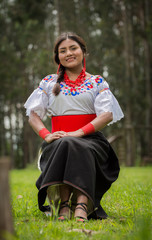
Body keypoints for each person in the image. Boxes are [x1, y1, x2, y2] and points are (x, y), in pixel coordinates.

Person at [24, 32, 124, 222]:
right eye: (63, 51)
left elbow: (107, 114)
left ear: (83, 51)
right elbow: (33, 114)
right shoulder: (48, 82)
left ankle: (80, 203)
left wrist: (79, 132)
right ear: (57, 56)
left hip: (91, 140)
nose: (68, 53)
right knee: (66, 143)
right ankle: (65, 204)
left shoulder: (97, 82)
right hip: (58, 139)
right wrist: (46, 135)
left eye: (73, 48)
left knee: (74, 144)